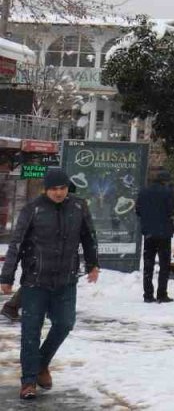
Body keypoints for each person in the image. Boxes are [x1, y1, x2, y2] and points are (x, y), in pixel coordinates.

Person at [0, 169, 99, 400]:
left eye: (62, 188)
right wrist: (6, 277)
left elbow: (89, 236)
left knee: (65, 324)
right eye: (54, 189)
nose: (58, 193)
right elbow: (17, 243)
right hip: (35, 282)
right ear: (46, 189)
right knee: (30, 331)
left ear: (68, 188)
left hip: (66, 280)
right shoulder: (32, 209)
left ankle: (42, 363)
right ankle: (28, 382)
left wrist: (94, 264)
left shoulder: (78, 206)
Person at [136, 169, 174, 304]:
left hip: (149, 233)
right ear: (165, 181)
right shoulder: (167, 192)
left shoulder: (144, 192)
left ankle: (148, 294)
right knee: (164, 265)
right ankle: (161, 294)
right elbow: (172, 210)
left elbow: (138, 210)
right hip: (164, 233)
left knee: (148, 264)